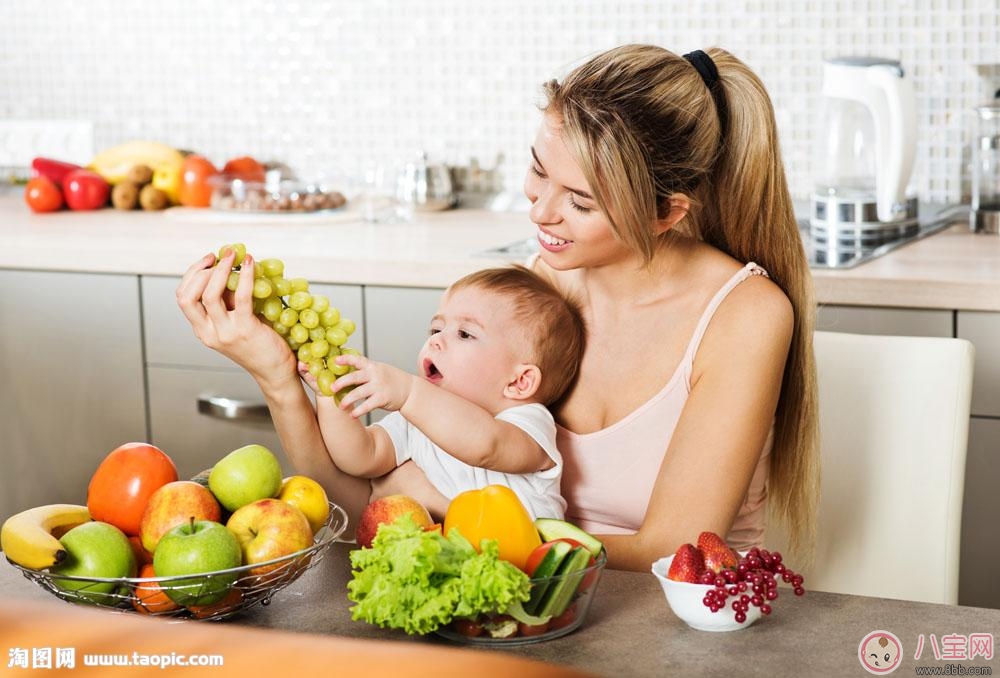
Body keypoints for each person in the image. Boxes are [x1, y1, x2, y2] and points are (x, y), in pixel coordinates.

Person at [176, 43, 818, 573]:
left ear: (666, 213)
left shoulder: (745, 316)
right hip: (519, 608)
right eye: (539, 172)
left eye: (581, 201)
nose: (540, 212)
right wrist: (278, 377)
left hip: (674, 627)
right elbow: (367, 493)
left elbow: (670, 553)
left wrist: (454, 530)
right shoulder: (534, 294)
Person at [297, 266, 585, 521]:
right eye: (435, 328)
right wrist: (329, 393)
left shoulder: (528, 422)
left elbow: (487, 445)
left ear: (519, 382)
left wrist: (409, 392)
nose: (435, 340)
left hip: (529, 575)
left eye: (464, 334)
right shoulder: (415, 418)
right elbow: (361, 456)